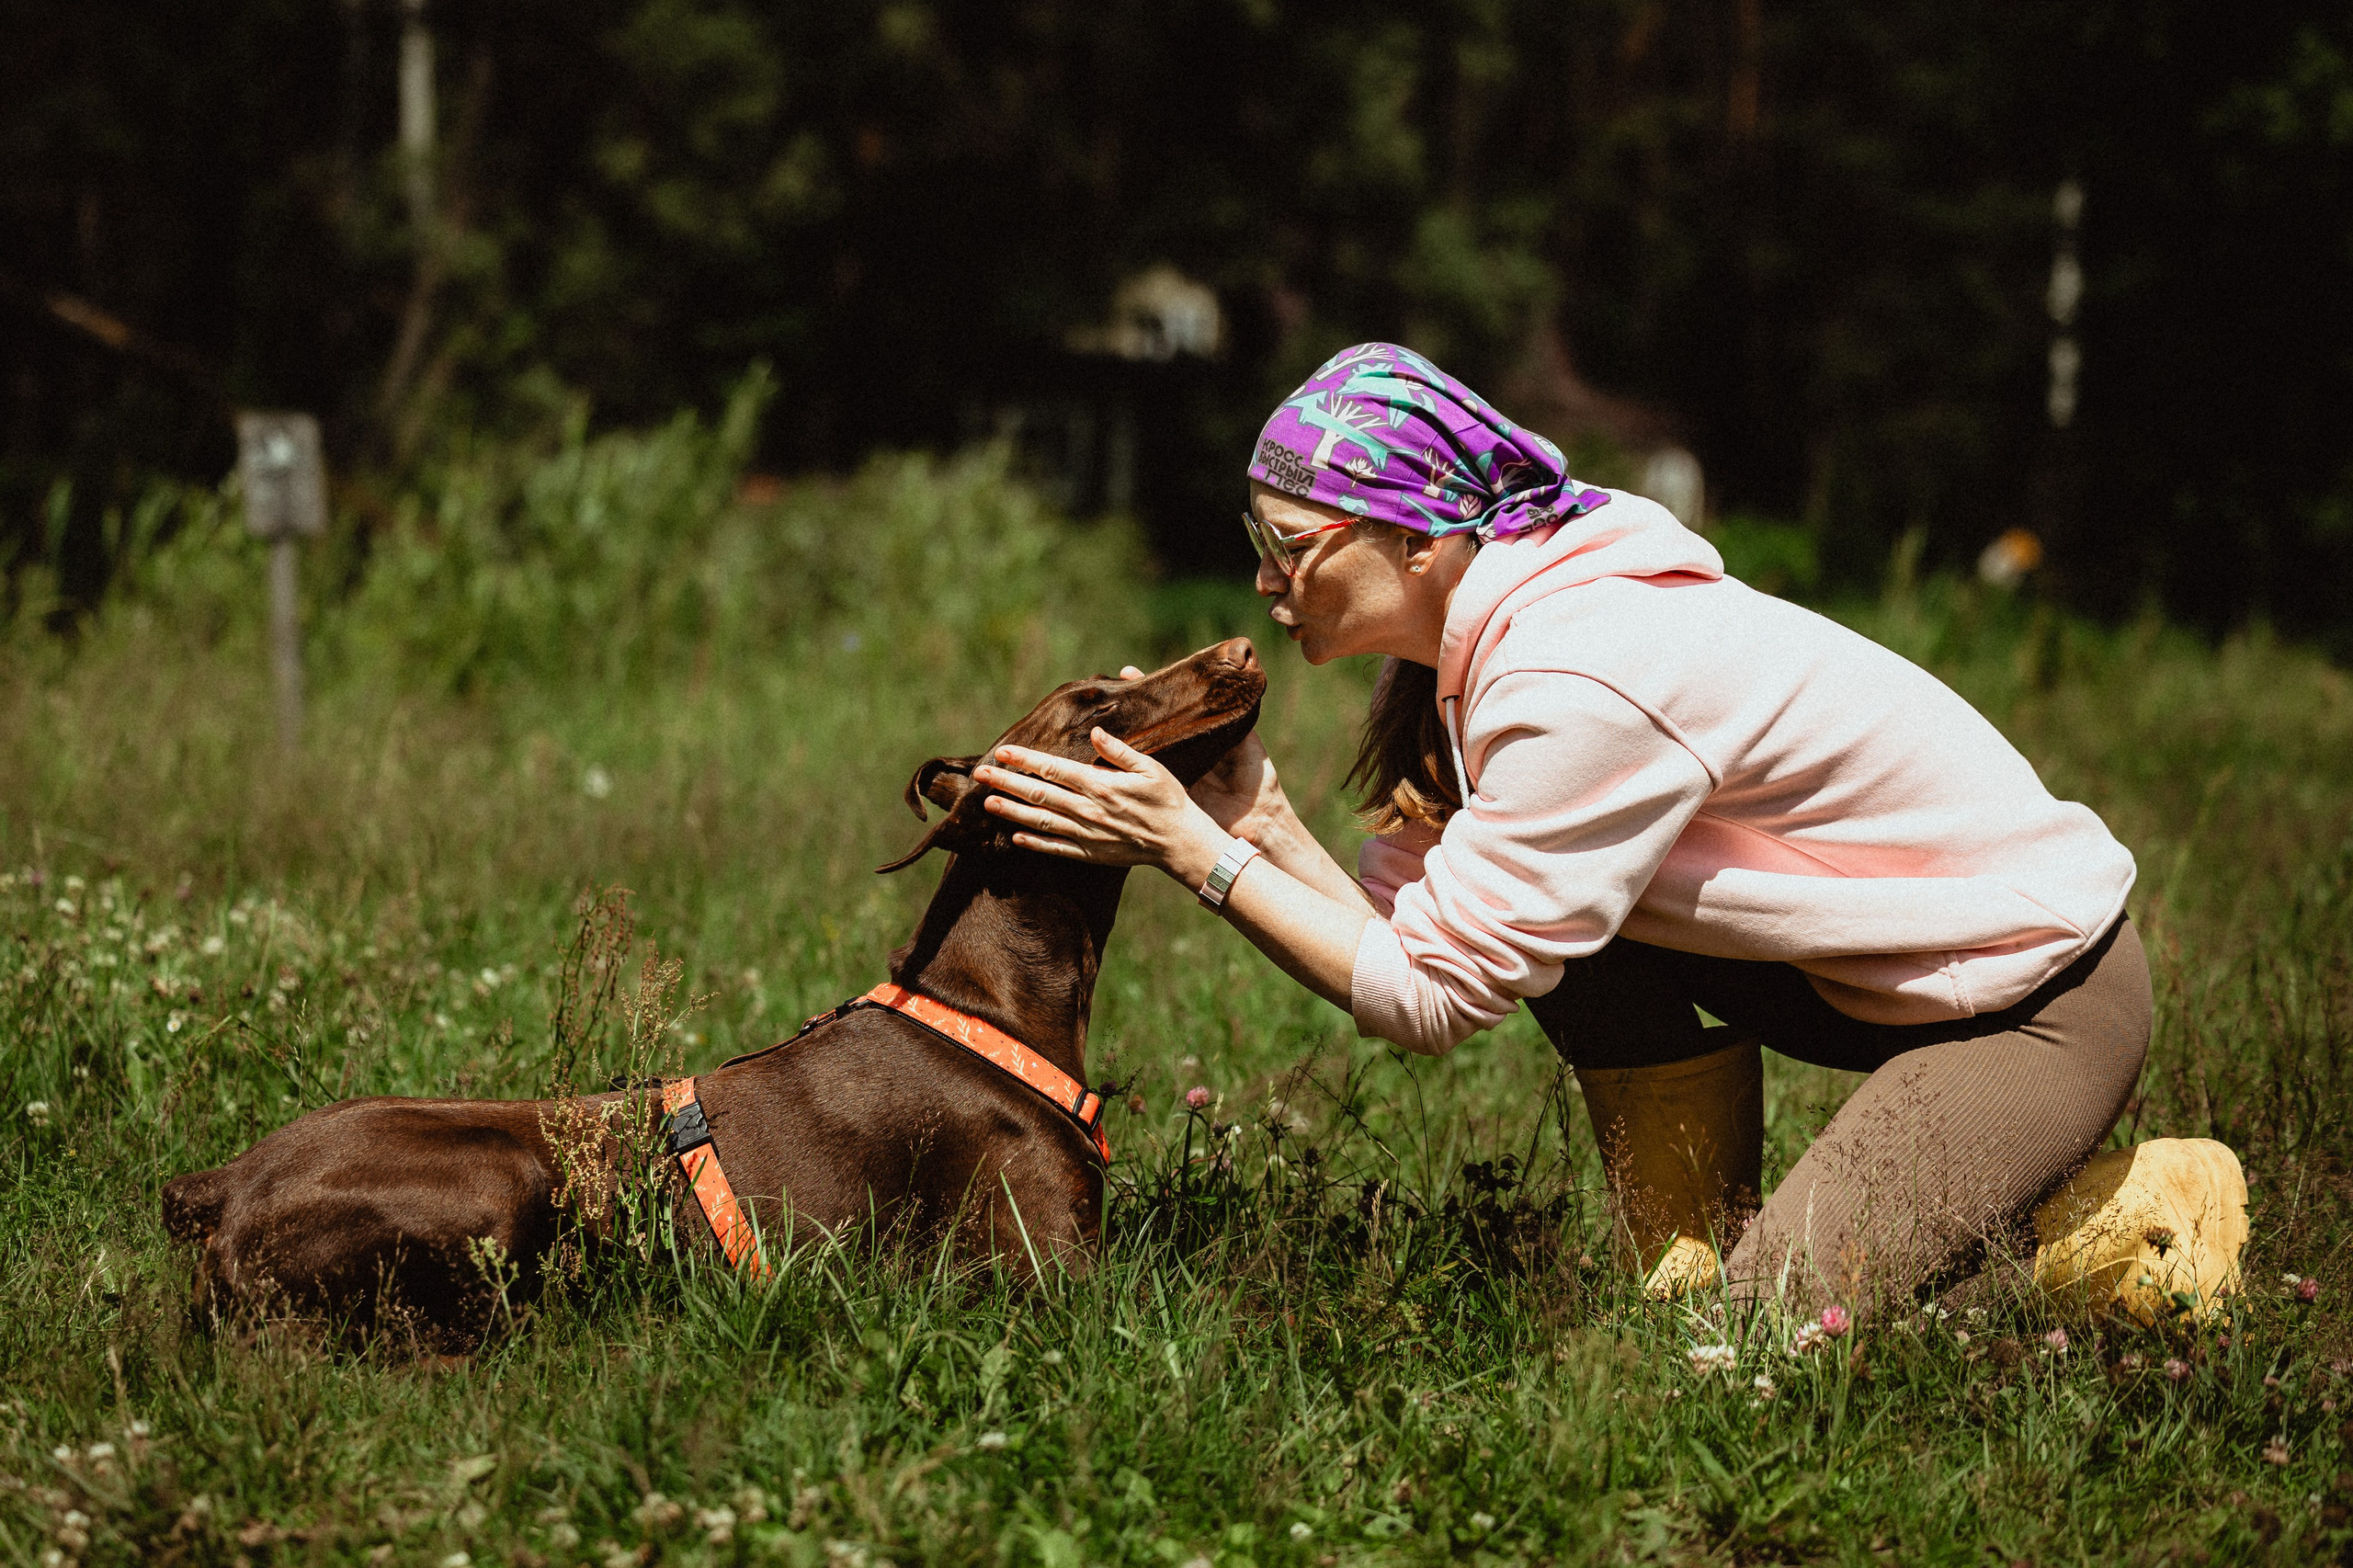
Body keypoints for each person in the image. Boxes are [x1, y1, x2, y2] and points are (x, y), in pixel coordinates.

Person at [972, 341, 2186, 1316]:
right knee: (1704, 1285)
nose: (1262, 582)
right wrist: (1257, 820)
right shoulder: (1474, 645)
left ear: (1415, 537)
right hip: (1859, 974)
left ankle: (2147, 1226)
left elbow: (1427, 1001)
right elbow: (1414, 943)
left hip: (2027, 1002)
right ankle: (1692, 1272)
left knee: (1766, 1349)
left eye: (1287, 548)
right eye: (1258, 546)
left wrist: (1196, 852)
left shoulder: (1573, 679)